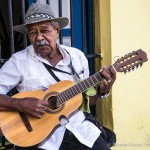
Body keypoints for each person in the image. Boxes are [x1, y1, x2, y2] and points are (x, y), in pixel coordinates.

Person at [0, 2, 116, 150]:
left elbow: (87, 102)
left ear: (57, 30)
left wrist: (103, 90)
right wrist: (20, 104)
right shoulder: (18, 61)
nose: (39, 38)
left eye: (45, 30)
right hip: (39, 137)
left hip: (79, 130)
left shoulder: (77, 57)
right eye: (33, 33)